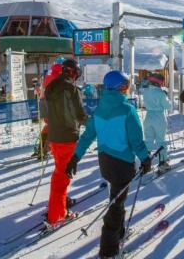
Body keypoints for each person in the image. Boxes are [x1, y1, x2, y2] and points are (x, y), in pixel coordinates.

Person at [65, 71, 151, 259]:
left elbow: (87, 136)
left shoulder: (99, 110)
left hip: (105, 162)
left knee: (116, 199)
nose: (127, 90)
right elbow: (136, 140)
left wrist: (75, 158)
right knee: (116, 205)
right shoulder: (128, 110)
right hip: (122, 165)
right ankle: (109, 250)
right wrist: (145, 158)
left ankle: (118, 234)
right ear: (120, 87)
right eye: (126, 86)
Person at [44, 58, 87, 226]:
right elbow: (79, 115)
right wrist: (91, 122)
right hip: (67, 138)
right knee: (62, 177)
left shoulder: (51, 86)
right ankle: (56, 215)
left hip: (54, 137)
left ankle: (58, 205)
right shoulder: (71, 89)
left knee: (60, 172)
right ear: (73, 73)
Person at [142, 73, 172, 173]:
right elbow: (168, 106)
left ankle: (145, 163)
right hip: (159, 117)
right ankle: (163, 163)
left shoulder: (145, 91)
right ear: (159, 82)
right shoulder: (160, 93)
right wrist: (166, 97)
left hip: (148, 116)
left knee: (148, 140)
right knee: (161, 140)